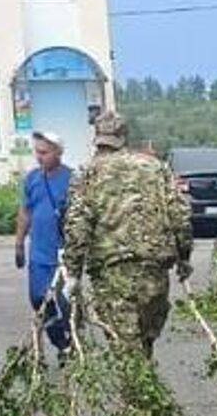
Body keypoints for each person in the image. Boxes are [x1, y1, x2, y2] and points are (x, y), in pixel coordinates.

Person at [60, 112, 193, 359]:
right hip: (154, 270)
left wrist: (73, 272)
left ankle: (138, 397)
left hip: (112, 273)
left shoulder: (87, 173)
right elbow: (180, 214)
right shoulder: (155, 168)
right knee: (144, 344)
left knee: (126, 354)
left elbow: (77, 224)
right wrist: (184, 258)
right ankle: (145, 395)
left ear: (97, 138)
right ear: (124, 137)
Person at [15, 131, 73, 352]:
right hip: (38, 255)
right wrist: (19, 244)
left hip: (63, 256)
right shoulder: (32, 179)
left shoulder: (72, 179)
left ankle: (69, 343)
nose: (39, 157)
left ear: (58, 153)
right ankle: (59, 345)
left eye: (44, 153)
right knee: (40, 302)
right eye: (37, 152)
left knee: (64, 305)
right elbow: (25, 212)